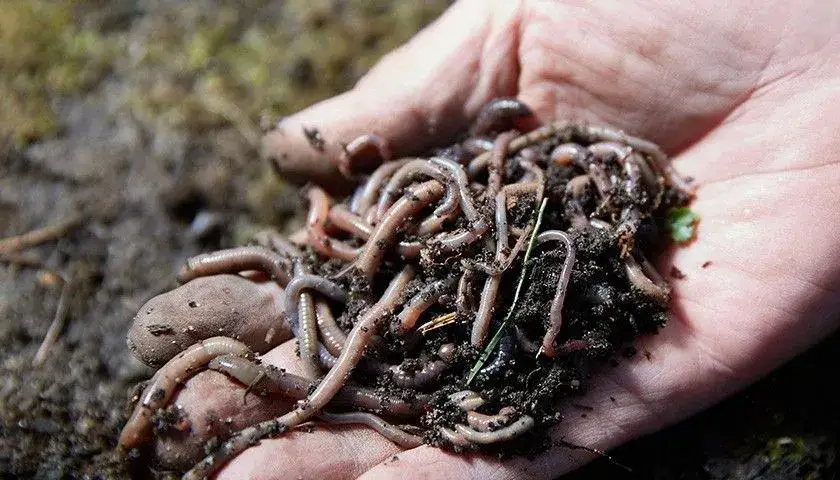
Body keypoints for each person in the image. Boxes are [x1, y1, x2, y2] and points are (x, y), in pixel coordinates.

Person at [141, 1, 840, 478]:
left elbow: (514, 233)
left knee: (509, 267)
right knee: (354, 344)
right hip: (419, 285)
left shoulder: (555, 214)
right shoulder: (425, 220)